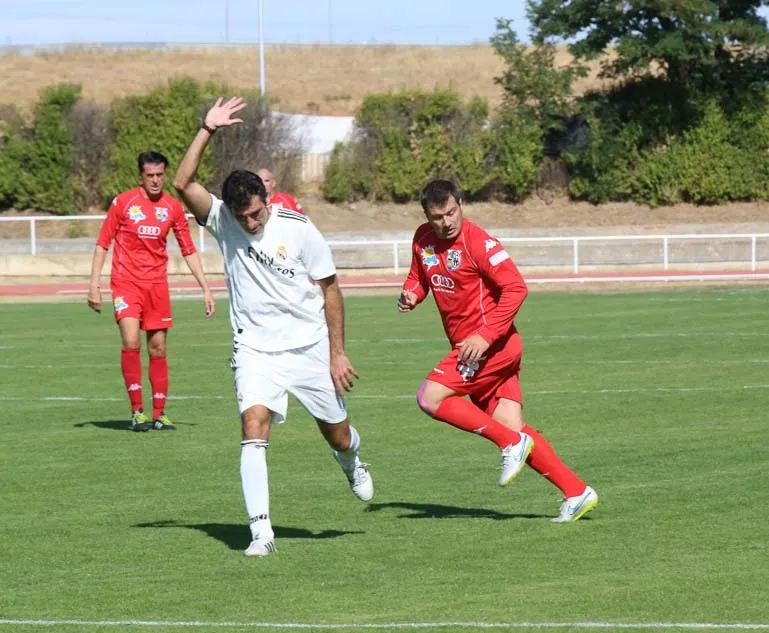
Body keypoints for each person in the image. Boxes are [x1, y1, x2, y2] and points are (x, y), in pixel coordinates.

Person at [173, 97, 373, 557]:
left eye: (257, 213)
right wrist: (207, 128)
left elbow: (331, 290)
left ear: (268, 200)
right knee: (253, 424)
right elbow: (182, 183)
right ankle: (261, 533)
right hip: (255, 351)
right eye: (243, 216)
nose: (251, 222)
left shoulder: (299, 228)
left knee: (338, 434)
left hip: (308, 347)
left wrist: (337, 352)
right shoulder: (223, 219)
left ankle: (351, 461)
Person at [397, 179, 598, 523]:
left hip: (490, 349)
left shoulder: (479, 242)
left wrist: (485, 336)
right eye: (437, 217)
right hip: (476, 350)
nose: (446, 222)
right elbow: (419, 277)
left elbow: (516, 288)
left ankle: (508, 444)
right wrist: (411, 294)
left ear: (461, 204)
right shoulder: (423, 239)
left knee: (429, 397)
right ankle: (576, 492)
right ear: (426, 216)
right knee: (512, 426)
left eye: (451, 212)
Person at [88, 150, 216, 432]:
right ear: (141, 176)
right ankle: (137, 411)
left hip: (157, 286)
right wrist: (94, 284)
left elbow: (188, 249)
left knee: (158, 347)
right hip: (126, 283)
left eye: (160, 175)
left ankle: (159, 414)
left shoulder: (172, 207)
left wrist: (206, 288)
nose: (156, 180)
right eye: (150, 176)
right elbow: (103, 242)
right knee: (131, 340)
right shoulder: (123, 202)